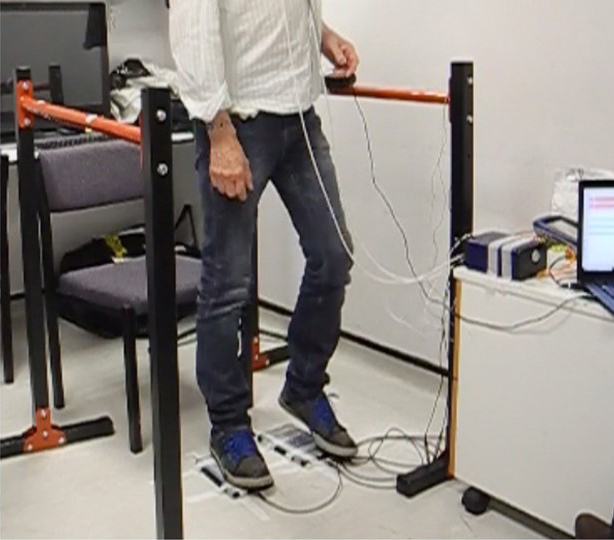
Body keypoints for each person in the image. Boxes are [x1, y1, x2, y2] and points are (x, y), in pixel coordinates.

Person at [169, 0, 360, 490]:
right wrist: (218, 130)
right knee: (228, 283)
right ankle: (229, 424)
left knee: (334, 253)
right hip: (239, 121)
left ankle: (304, 386)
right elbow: (195, 29)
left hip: (298, 115)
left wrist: (325, 37)